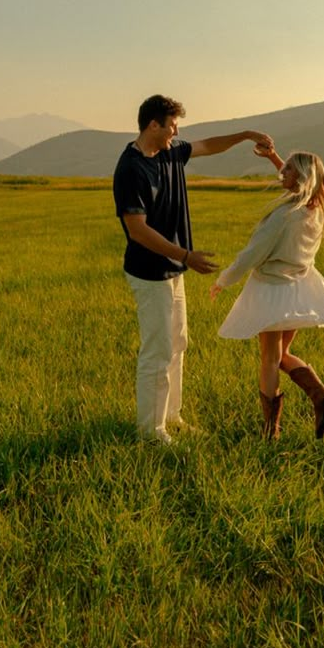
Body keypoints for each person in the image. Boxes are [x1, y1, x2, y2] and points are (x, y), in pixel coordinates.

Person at [113, 94, 273, 444]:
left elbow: (207, 146)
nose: (176, 131)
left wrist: (246, 135)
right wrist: (185, 255)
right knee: (156, 349)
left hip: (174, 269)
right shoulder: (130, 169)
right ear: (153, 125)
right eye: (172, 125)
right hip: (149, 272)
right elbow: (137, 230)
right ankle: (150, 431)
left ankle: (172, 416)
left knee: (178, 342)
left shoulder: (169, 151)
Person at [211, 144, 324, 440]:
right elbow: (295, 179)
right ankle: (320, 397)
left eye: (288, 168)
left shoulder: (284, 216)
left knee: (269, 360)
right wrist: (274, 158)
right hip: (298, 288)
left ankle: (270, 432)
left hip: (271, 290)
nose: (281, 171)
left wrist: (223, 281)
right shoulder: (315, 211)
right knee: (281, 355)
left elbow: (252, 254)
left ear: (301, 177)